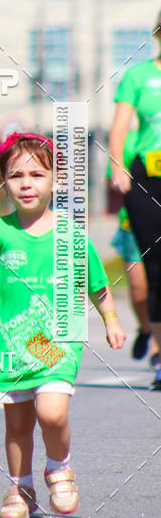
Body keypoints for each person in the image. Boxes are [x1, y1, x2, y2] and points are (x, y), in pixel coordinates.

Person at [0, 133, 125, 518]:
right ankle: (21, 486)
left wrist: (111, 320)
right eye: (16, 175)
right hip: (10, 345)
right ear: (3, 182)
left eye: (37, 174)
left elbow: (97, 286)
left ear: (55, 180)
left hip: (58, 344)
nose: (26, 183)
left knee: (52, 413)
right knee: (17, 424)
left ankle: (60, 466)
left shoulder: (71, 235)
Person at [109, 9, 161, 389]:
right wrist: (118, 167)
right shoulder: (138, 76)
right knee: (151, 273)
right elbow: (120, 126)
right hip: (148, 180)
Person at [108, 131, 159, 363]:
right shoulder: (126, 140)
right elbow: (116, 182)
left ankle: (158, 348)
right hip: (132, 225)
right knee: (139, 290)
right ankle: (145, 328)